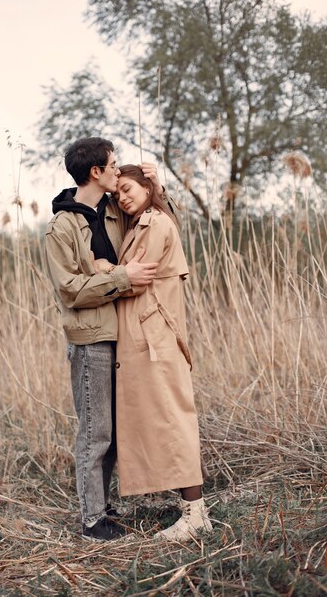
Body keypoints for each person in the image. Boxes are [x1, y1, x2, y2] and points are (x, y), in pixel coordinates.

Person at [45, 138, 176, 542]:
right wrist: (118, 277)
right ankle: (91, 522)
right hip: (91, 339)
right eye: (114, 165)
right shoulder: (61, 227)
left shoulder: (116, 211)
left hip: (124, 333)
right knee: (95, 431)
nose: (120, 171)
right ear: (95, 173)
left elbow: (163, 225)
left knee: (116, 431)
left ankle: (102, 506)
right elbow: (69, 290)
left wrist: (159, 187)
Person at [95, 164, 212, 541]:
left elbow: (133, 278)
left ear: (147, 186)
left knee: (171, 419)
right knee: (162, 418)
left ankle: (195, 513)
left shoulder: (154, 224)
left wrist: (102, 268)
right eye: (117, 194)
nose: (122, 197)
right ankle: (191, 510)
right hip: (147, 336)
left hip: (155, 337)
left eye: (128, 188)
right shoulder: (146, 221)